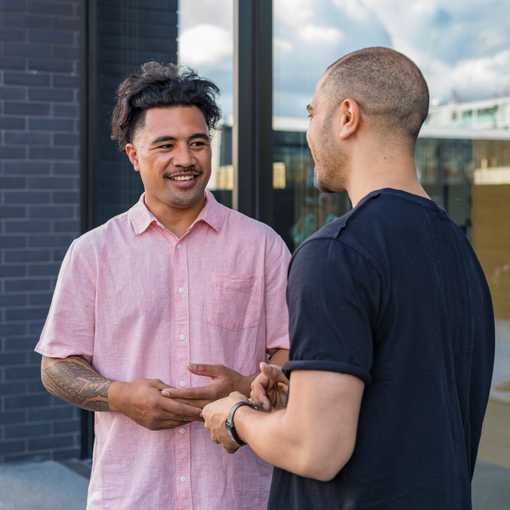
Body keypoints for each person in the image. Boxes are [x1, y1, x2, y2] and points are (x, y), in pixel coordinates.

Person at [202, 47, 495, 509]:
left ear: (347, 117)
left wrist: (236, 417)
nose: (308, 132)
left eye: (312, 112)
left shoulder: (335, 253)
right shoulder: (459, 251)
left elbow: (316, 450)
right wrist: (303, 401)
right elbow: (408, 402)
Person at [36, 62, 290, 510]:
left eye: (198, 143)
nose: (186, 159)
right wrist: (120, 397)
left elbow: (293, 354)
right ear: (134, 156)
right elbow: (56, 365)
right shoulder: (92, 253)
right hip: (132, 495)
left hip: (238, 496)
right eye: (165, 145)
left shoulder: (263, 246)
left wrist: (246, 384)